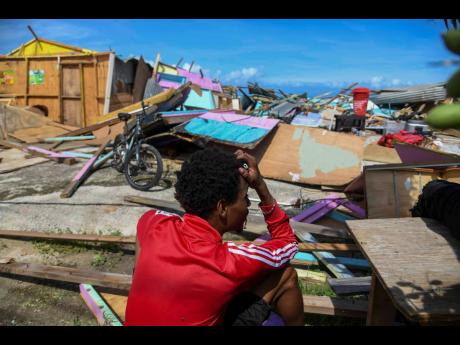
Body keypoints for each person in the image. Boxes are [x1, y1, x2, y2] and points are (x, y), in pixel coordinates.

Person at [124, 147, 304, 326]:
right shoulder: (230, 261)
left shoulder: (153, 222)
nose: (248, 204)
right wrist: (260, 186)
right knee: (285, 274)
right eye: (244, 197)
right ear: (222, 208)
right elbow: (288, 241)